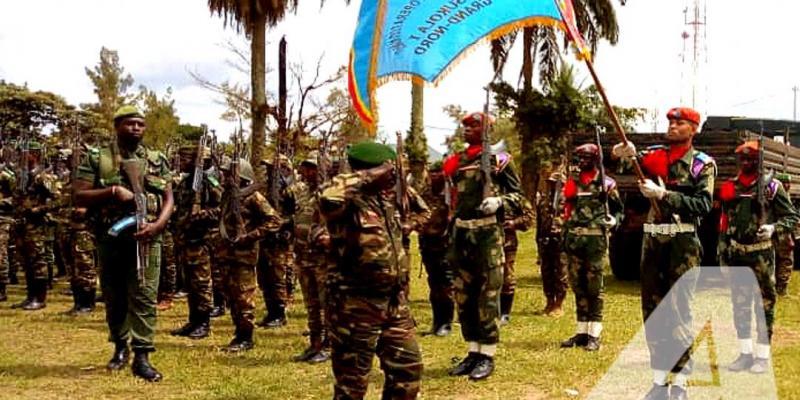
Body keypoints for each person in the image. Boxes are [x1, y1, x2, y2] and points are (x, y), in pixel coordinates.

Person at [612, 107, 716, 400]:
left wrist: (663, 195)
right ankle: (659, 381)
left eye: (679, 123)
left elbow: (703, 205)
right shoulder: (654, 156)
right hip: (653, 242)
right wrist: (621, 153)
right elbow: (621, 164)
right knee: (654, 312)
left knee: (679, 312)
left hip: (682, 244)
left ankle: (680, 381)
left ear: (693, 129)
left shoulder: (701, 165)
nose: (672, 126)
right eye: (670, 121)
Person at [74, 105, 174, 382]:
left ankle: (142, 355)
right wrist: (112, 191)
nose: (136, 129)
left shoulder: (156, 159)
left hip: (148, 237)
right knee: (114, 295)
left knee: (144, 295)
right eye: (130, 123)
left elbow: (169, 199)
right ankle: (120, 346)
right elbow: (79, 196)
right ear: (117, 126)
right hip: (112, 237)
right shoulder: (98, 158)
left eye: (140, 124)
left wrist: (158, 225)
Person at [320, 141, 422, 399]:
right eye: (388, 172)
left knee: (407, 371)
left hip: (394, 302)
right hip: (355, 305)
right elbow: (327, 196)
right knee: (352, 384)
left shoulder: (387, 199)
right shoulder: (345, 200)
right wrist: (370, 175)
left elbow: (421, 212)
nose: (393, 177)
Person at [443, 112, 524, 381]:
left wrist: (500, 202)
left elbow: (518, 197)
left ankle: (487, 353)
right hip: (462, 235)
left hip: (488, 236)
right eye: (465, 126)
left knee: (487, 296)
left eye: (473, 125)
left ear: (488, 129)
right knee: (464, 296)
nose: (467, 129)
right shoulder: (460, 160)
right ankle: (472, 351)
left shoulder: (499, 159)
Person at [718, 141, 798, 374]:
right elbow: (724, 222)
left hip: (761, 255)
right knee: (740, 306)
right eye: (742, 158)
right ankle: (745, 354)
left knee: (764, 305)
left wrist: (774, 228)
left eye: (750, 159)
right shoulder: (730, 187)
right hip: (737, 255)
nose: (745, 162)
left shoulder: (772, 188)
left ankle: (762, 356)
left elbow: (792, 217)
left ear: (759, 161)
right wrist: (722, 252)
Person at [559, 143, 622, 351]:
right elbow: (567, 209)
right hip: (574, 241)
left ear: (596, 159)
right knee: (578, 286)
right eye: (579, 158)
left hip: (595, 242)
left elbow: (618, 211)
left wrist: (613, 220)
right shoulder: (573, 182)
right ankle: (582, 331)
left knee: (594, 288)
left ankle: (594, 333)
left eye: (586, 157)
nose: (581, 162)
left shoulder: (607, 184)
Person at [217, 157, 282, 352]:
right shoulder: (228, 195)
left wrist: (250, 236)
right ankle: (238, 333)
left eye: (230, 174)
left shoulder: (254, 197)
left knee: (244, 298)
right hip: (227, 254)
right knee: (231, 296)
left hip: (244, 256)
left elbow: (274, 221)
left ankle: (246, 337)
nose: (225, 177)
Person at [169, 145, 222, 340]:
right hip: (186, 240)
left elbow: (223, 208)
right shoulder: (185, 183)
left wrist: (202, 214)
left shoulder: (209, 183)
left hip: (201, 241)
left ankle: (204, 322)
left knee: (201, 283)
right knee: (190, 283)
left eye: (185, 159)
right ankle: (193, 320)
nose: (181, 162)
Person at [11, 140, 61, 311]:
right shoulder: (23, 176)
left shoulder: (43, 176)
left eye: (25, 153)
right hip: (21, 224)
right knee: (26, 261)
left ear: (35, 154)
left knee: (37, 261)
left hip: (36, 225)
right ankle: (30, 296)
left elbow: (58, 199)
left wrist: (39, 209)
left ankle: (40, 298)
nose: (20, 156)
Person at [291, 153, 331, 363]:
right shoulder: (303, 192)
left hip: (323, 259)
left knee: (327, 303)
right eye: (305, 167)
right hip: (303, 255)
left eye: (312, 168)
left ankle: (328, 345)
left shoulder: (332, 193)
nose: (306, 172)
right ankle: (315, 343)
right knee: (311, 304)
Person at [418, 161, 455, 336]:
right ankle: (436, 321)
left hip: (446, 245)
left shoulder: (451, 194)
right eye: (431, 172)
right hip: (428, 244)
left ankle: (446, 323)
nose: (434, 176)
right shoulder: (424, 192)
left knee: (446, 285)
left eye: (438, 172)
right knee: (433, 284)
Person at [499, 183, 534, 326]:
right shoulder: (482, 192)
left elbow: (529, 218)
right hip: (484, 242)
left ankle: (504, 313)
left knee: (507, 277)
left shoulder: (515, 197)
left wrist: (514, 222)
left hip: (507, 242)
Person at [535, 172, 569, 317]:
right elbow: (539, 222)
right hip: (545, 239)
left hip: (560, 239)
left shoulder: (568, 199)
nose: (552, 186)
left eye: (556, 183)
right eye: (551, 183)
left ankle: (558, 304)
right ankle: (549, 301)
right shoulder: (543, 200)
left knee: (560, 272)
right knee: (546, 272)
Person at [773, 173, 795, 296]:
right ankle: (781, 289)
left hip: (781, 234)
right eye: (785, 182)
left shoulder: (783, 195)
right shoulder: (781, 197)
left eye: (788, 182)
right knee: (785, 261)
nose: (788, 185)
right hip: (781, 235)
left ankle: (780, 288)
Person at [0, 163, 14, 302]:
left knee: (0, 254)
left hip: (2, 219)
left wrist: (3, 202)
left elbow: (16, 197)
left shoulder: (6, 176)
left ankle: (1, 288)